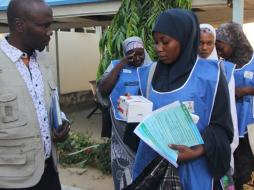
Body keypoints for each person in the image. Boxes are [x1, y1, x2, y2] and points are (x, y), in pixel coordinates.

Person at [132, 9, 234, 190]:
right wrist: (130, 107)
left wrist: (199, 150)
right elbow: (141, 118)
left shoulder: (211, 77)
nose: (158, 48)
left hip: (193, 170)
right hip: (151, 168)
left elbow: (222, 127)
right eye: (156, 42)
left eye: (165, 42)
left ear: (185, 39)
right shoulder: (150, 74)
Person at [0, 0, 70, 189]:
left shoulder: (45, 61)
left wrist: (61, 122)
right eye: (43, 25)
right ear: (20, 26)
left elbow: (48, 104)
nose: (50, 31)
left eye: (51, 24)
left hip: (48, 174)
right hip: (8, 181)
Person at [98, 36, 152, 190]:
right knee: (123, 171)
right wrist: (121, 65)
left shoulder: (152, 67)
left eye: (141, 53)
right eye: (132, 54)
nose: (138, 58)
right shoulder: (115, 66)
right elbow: (103, 89)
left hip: (143, 129)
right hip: (120, 129)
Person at [216, 22, 254, 190]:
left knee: (246, 172)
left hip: (248, 129)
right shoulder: (222, 64)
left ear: (234, 43)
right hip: (229, 128)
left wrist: (245, 90)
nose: (218, 52)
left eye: (221, 47)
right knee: (228, 171)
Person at [199, 23, 239, 172]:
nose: (204, 48)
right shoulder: (188, 68)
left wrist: (229, 144)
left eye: (209, 43)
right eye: (200, 43)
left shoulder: (225, 70)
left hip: (219, 131)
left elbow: (230, 109)